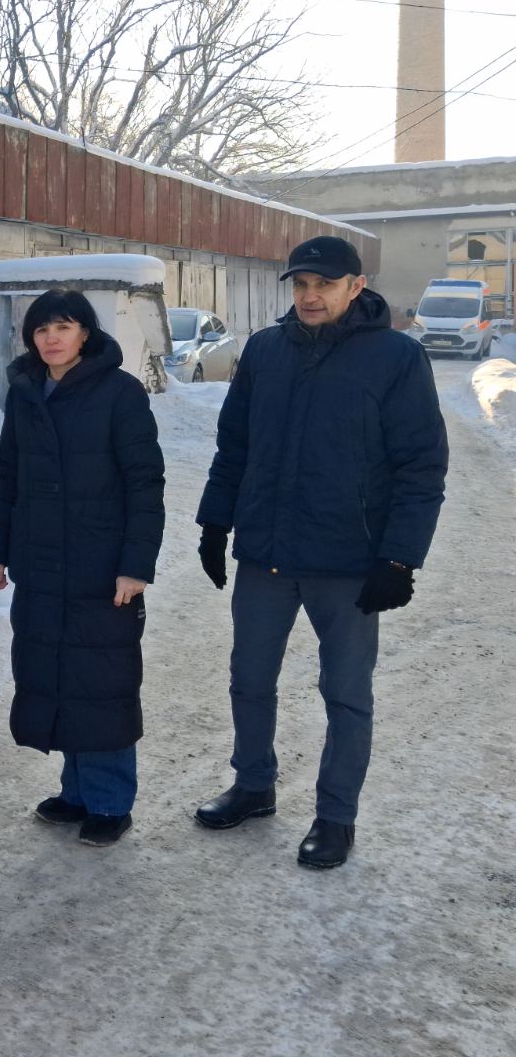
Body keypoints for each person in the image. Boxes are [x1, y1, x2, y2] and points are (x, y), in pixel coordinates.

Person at [193, 235, 448, 869]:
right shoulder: (264, 350)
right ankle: (254, 785)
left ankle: (336, 817)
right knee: (250, 680)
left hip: (348, 562)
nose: (310, 296)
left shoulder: (396, 358)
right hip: (267, 554)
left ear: (356, 287)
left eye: (325, 285)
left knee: (346, 694)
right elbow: (234, 447)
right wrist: (215, 522)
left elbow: (421, 466)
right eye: (301, 285)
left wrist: (399, 558)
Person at [0, 289, 164, 847]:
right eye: (41, 329)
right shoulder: (27, 392)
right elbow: (9, 477)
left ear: (85, 332)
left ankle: (110, 801)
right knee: (58, 673)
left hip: (101, 565)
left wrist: (135, 565)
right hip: (41, 561)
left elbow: (144, 483)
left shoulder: (120, 392)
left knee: (101, 679)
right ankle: (77, 792)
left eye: (63, 326)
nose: (51, 338)